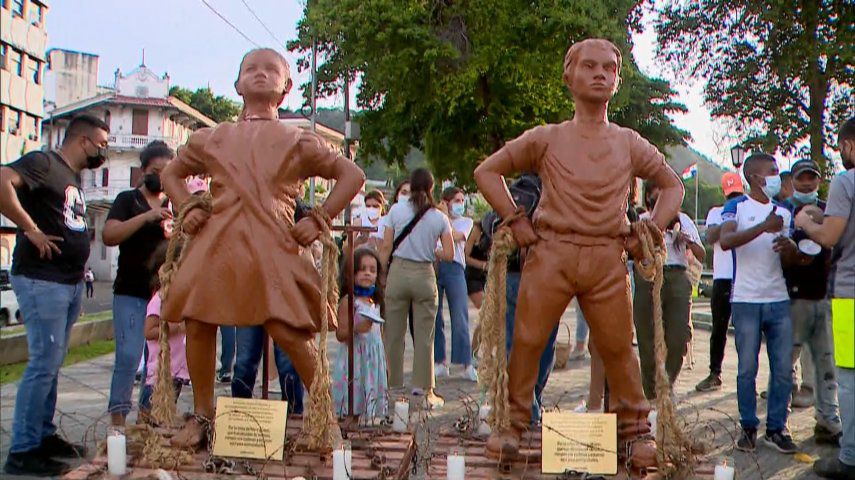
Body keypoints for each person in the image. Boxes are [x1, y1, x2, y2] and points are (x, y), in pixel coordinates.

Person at [474, 38, 683, 468]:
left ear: (618, 81)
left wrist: (649, 229)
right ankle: (512, 423)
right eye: (589, 66)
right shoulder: (547, 138)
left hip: (607, 256)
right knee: (528, 341)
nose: (600, 74)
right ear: (569, 75)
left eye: (609, 68)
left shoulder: (628, 141)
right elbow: (487, 171)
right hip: (551, 252)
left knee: (618, 348)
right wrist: (515, 219)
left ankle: (635, 429)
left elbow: (673, 185)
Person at [159, 48, 365, 448]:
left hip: (274, 245)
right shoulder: (213, 136)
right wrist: (186, 208)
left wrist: (318, 216)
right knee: (199, 322)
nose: (259, 75)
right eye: (250, 69)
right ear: (237, 84)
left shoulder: (298, 138)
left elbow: (351, 175)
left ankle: (326, 418)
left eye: (271, 70)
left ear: (285, 89)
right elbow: (171, 172)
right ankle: (202, 414)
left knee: (288, 330)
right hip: (217, 244)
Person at [0, 114, 109, 476]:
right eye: (102, 145)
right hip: (41, 280)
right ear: (83, 141)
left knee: (51, 365)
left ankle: (42, 436)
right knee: (43, 363)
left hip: (68, 282)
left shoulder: (71, 177)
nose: (103, 152)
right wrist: (30, 229)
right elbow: (2, 181)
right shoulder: (43, 163)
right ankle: (23, 451)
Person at [719, 152, 804, 455]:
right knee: (746, 368)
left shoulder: (784, 211)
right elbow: (726, 241)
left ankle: (776, 428)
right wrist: (764, 227)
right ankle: (748, 426)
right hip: (745, 300)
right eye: (771, 171)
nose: (776, 176)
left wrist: (790, 248)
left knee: (782, 369)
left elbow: (792, 257)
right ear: (754, 177)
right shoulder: (736, 207)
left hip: (778, 298)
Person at [796, 117, 855, 479]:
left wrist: (806, 223)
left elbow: (830, 236)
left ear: (849, 144)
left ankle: (849, 457)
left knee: (848, 378)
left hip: (850, 296)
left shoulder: (846, 180)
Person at [102, 140, 173, 426]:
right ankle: (118, 421)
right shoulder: (127, 200)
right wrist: (146, 217)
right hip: (131, 291)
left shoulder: (174, 204)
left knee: (159, 360)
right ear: (144, 171)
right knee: (129, 356)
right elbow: (110, 234)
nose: (161, 176)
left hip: (163, 295)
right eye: (156, 170)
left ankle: (148, 416)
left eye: (167, 171)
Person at [231, 195, 313, 414]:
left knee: (288, 364)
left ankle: (293, 414)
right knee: (245, 362)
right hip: (252, 301)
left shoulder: (298, 247)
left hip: (286, 306)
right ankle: (239, 416)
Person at [380, 168, 453, 409]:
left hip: (398, 272)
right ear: (432, 188)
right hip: (424, 274)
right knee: (424, 336)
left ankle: (392, 388)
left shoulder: (396, 210)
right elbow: (450, 254)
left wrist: (382, 273)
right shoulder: (439, 217)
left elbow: (386, 247)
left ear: (410, 186)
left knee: (394, 335)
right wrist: (434, 251)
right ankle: (425, 391)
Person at [783, 159, 842, 441]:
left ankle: (827, 419)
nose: (807, 183)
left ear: (819, 180)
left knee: (826, 363)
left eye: (812, 178)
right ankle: (778, 421)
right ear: (792, 180)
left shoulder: (830, 209)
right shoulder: (783, 210)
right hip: (792, 296)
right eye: (801, 178)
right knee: (785, 360)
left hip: (825, 295)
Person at [634, 182, 705, 400]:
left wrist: (687, 239)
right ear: (649, 199)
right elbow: (632, 251)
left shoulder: (684, 221)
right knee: (647, 340)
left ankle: (667, 385)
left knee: (678, 336)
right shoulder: (642, 220)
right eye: (656, 196)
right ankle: (652, 395)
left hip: (677, 276)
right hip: (649, 276)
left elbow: (701, 254)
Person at [695, 172, 744, 392]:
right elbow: (711, 237)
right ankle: (715, 372)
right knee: (719, 328)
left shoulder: (749, 209)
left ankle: (745, 376)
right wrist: (728, 218)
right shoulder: (716, 211)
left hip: (744, 276)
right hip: (723, 277)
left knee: (746, 330)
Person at [333, 248, 388, 418]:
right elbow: (340, 334)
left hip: (373, 360)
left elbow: (381, 334)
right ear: (352, 272)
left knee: (370, 398)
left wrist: (386, 362)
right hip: (355, 358)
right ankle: (351, 422)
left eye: (372, 270)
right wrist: (357, 329)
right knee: (354, 398)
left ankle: (369, 424)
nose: (367, 274)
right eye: (362, 269)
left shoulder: (376, 301)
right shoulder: (349, 301)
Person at [138, 242, 188, 419]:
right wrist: (175, 327)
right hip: (159, 374)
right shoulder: (159, 300)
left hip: (177, 372)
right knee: (149, 415)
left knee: (165, 416)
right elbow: (149, 331)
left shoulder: (181, 301)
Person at [434, 187, 477, 381]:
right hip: (435, 266)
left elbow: (455, 236)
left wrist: (444, 218)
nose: (460, 204)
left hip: (455, 267)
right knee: (435, 317)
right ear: (446, 201)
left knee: (460, 315)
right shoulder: (434, 219)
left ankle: (466, 362)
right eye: (456, 200)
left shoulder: (466, 222)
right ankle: (439, 361)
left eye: (462, 200)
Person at [464, 217, 489, 310]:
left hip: (489, 277)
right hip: (474, 276)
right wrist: (482, 265)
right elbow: (464, 257)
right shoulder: (476, 230)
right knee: (485, 308)